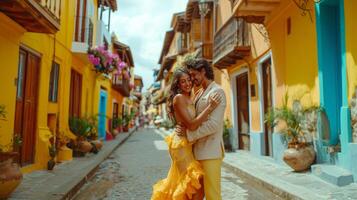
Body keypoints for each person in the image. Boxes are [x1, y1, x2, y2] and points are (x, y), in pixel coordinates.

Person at [151, 67, 221, 200]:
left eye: (189, 80)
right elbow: (192, 125)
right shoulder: (178, 98)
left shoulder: (192, 96)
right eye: (183, 81)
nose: (188, 83)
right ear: (178, 84)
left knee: (193, 186)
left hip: (188, 143)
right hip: (181, 146)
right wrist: (210, 107)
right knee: (193, 183)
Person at [180, 58, 227, 200]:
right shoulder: (200, 93)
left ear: (203, 71)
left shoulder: (217, 91)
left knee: (213, 195)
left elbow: (213, 125)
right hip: (196, 152)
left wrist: (189, 134)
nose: (192, 79)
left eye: (194, 75)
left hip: (211, 152)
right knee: (196, 195)